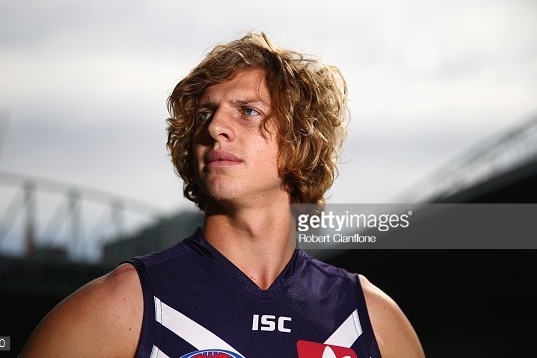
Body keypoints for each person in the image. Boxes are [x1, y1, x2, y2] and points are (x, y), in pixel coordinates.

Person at [21, 32, 424, 357]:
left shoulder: (369, 318)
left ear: (301, 139)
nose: (215, 128)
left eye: (247, 111)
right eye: (204, 114)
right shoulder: (122, 306)